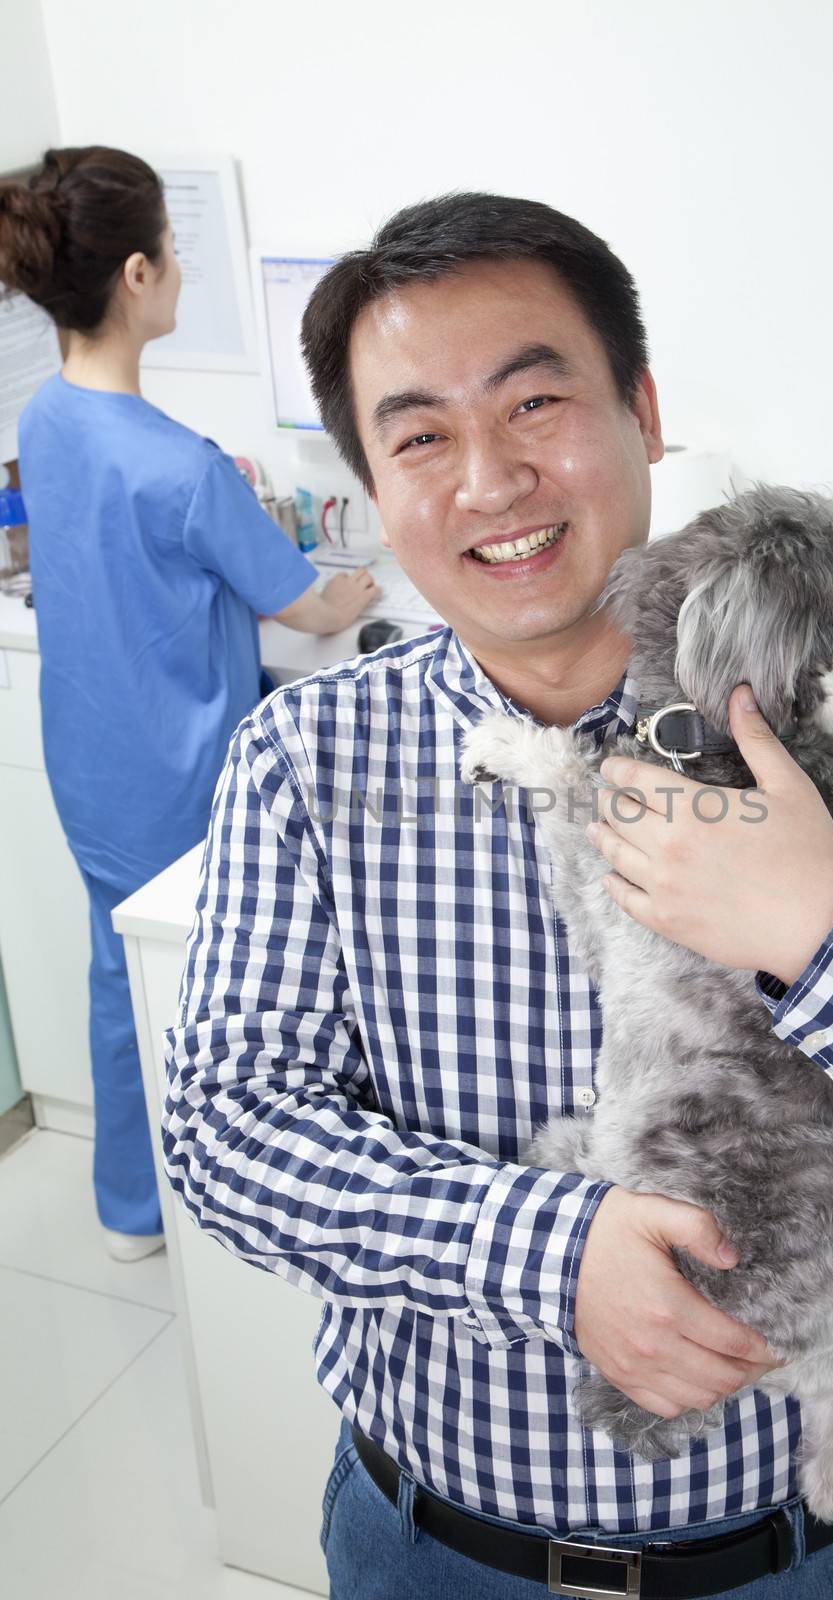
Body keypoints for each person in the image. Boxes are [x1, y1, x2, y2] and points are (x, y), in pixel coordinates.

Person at [161, 193, 833, 1598]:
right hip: (431, 1544)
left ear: (640, 410)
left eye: (534, 402)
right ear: (369, 483)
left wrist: (821, 939)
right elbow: (225, 1134)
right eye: (419, 436)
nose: (489, 481)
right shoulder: (307, 755)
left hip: (784, 1555)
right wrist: (547, 1248)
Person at [0, 147, 380, 1263]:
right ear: (135, 275)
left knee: (117, 972)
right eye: (169, 249)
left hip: (88, 758)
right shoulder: (184, 467)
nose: (176, 267)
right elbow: (308, 605)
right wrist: (355, 585)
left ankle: (129, 1204)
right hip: (182, 778)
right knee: (208, 993)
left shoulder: (43, 419)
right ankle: (229, 1207)